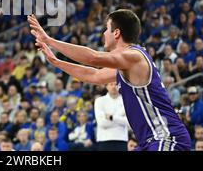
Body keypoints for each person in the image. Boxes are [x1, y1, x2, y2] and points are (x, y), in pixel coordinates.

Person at [28, 9, 192, 151]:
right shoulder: (126, 63)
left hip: (166, 136)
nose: (103, 33)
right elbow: (94, 76)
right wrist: (56, 62)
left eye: (106, 29)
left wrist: (49, 40)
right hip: (148, 141)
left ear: (116, 33)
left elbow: (93, 58)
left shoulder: (134, 56)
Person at [94, 82, 128, 151]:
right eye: (111, 84)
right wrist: (120, 117)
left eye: (116, 84)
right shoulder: (99, 101)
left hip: (121, 139)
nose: (113, 87)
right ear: (106, 86)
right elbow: (102, 123)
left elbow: (128, 122)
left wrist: (112, 117)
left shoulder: (126, 101)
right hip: (104, 139)